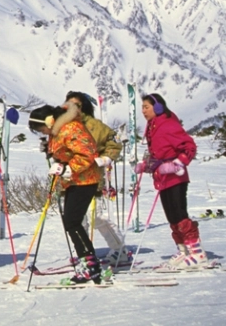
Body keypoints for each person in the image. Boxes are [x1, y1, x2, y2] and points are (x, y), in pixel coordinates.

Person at [29, 104, 103, 284]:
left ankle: (90, 264)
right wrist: (51, 150)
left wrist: (67, 168)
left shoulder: (70, 128)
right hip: (75, 180)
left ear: (49, 121)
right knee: (71, 222)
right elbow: (66, 150)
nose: (43, 133)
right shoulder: (59, 129)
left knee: (72, 221)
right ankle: (88, 261)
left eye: (42, 129)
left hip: (85, 180)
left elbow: (88, 153)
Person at [136, 93, 206, 269]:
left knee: (180, 213)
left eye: (146, 107)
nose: (143, 111)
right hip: (162, 177)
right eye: (142, 107)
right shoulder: (152, 127)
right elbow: (159, 153)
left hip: (176, 177)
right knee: (172, 216)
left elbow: (189, 146)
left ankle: (197, 252)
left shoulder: (168, 124)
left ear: (158, 107)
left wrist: (177, 163)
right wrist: (147, 165)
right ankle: (184, 251)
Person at [64, 91, 128, 265]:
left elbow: (114, 142)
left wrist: (106, 158)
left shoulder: (94, 125)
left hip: (92, 178)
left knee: (96, 215)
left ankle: (119, 249)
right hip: (73, 178)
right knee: (78, 219)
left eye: (75, 104)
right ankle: (85, 253)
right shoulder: (65, 126)